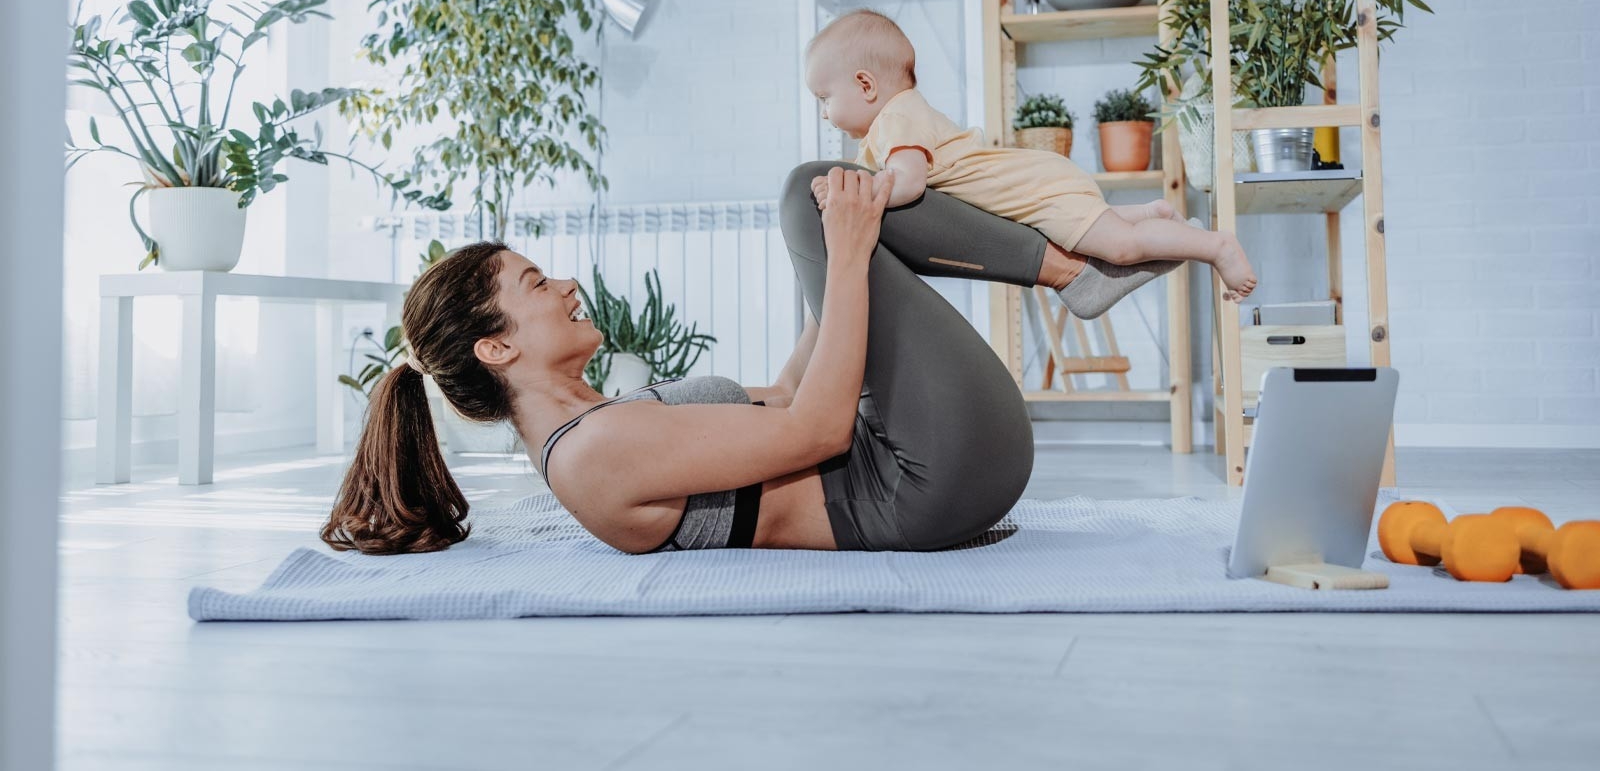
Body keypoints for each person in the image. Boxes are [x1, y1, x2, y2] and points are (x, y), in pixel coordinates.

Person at [321, 162, 1096, 556]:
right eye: (536, 284)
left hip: (924, 463)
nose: (566, 284)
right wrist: (843, 254)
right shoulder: (593, 454)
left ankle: (1077, 267)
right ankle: (1077, 268)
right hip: (921, 481)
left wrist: (832, 268)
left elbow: (791, 391)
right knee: (810, 194)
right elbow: (818, 429)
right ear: (497, 347)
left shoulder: (601, 423)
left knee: (823, 201)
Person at [804, 8, 1258, 304]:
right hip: (1040, 187)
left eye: (825, 98)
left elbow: (908, 182)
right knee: (1107, 232)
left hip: (1039, 191)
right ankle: (1148, 214)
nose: (825, 113)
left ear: (865, 85)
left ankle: (1214, 246)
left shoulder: (896, 117)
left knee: (1121, 248)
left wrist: (861, 192)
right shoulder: (888, 128)